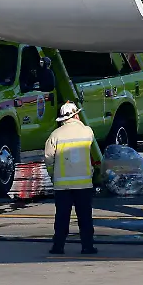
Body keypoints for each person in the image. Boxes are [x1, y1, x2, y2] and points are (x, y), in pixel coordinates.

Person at [44, 101, 101, 255]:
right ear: (76, 115)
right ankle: (87, 246)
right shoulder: (87, 132)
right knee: (85, 217)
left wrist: (53, 173)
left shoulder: (55, 134)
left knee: (62, 217)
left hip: (62, 185)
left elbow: (48, 157)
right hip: (83, 184)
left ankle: (58, 247)